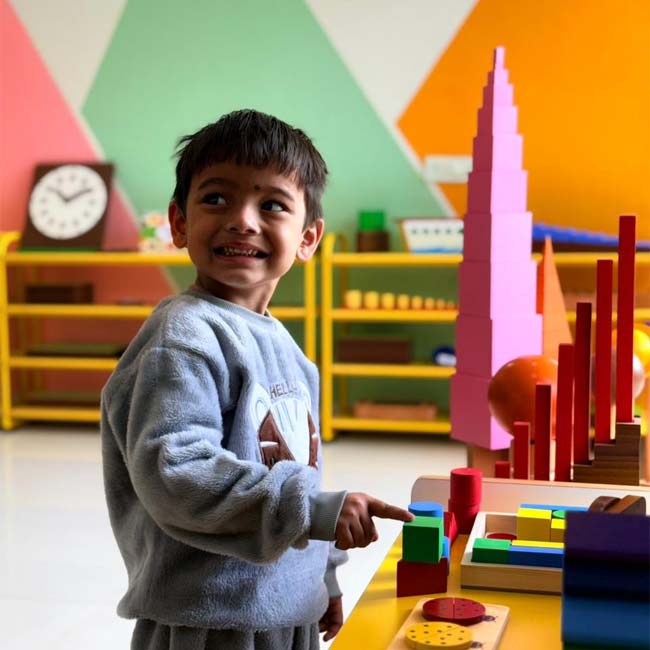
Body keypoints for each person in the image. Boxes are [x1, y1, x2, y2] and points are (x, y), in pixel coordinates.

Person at [100, 109, 414, 650]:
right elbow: (176, 473)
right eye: (216, 198)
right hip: (209, 622)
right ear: (179, 222)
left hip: (282, 611)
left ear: (308, 238)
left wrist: (321, 577)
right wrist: (312, 511)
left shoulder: (286, 347)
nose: (242, 220)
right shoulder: (183, 337)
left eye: (272, 205)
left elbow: (297, 466)